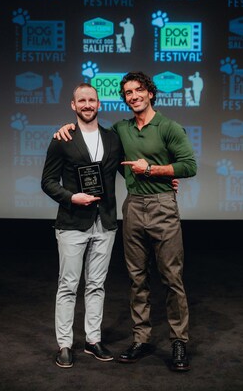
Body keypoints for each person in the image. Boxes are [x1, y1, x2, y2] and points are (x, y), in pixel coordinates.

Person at [54, 71, 197, 372]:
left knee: (172, 278)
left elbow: (189, 165)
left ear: (150, 93)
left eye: (138, 91)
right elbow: (95, 140)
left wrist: (156, 171)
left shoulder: (169, 127)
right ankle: (141, 339)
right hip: (132, 207)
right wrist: (66, 129)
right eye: (128, 93)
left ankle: (179, 342)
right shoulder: (121, 129)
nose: (133, 96)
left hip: (162, 207)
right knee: (137, 278)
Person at [41, 83, 124, 368]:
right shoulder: (62, 138)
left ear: (99, 104)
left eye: (92, 100)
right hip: (73, 222)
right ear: (73, 106)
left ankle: (92, 339)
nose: (88, 104)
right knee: (68, 285)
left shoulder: (113, 139)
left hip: (106, 222)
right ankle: (64, 344)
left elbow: (128, 171)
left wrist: (164, 178)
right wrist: (71, 197)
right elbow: (48, 182)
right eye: (82, 101)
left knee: (97, 285)